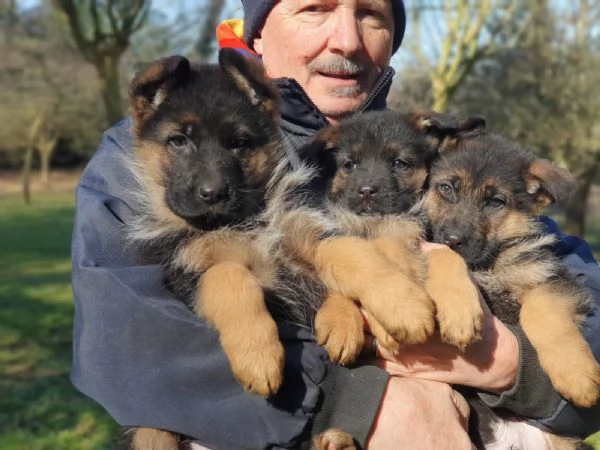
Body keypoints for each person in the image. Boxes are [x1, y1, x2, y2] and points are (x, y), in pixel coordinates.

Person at [70, 0, 600, 448]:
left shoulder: (437, 153)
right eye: (314, 7)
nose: (346, 38)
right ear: (258, 31)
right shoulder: (137, 153)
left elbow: (553, 268)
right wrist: (362, 404)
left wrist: (511, 365)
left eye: (371, 14)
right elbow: (121, 339)